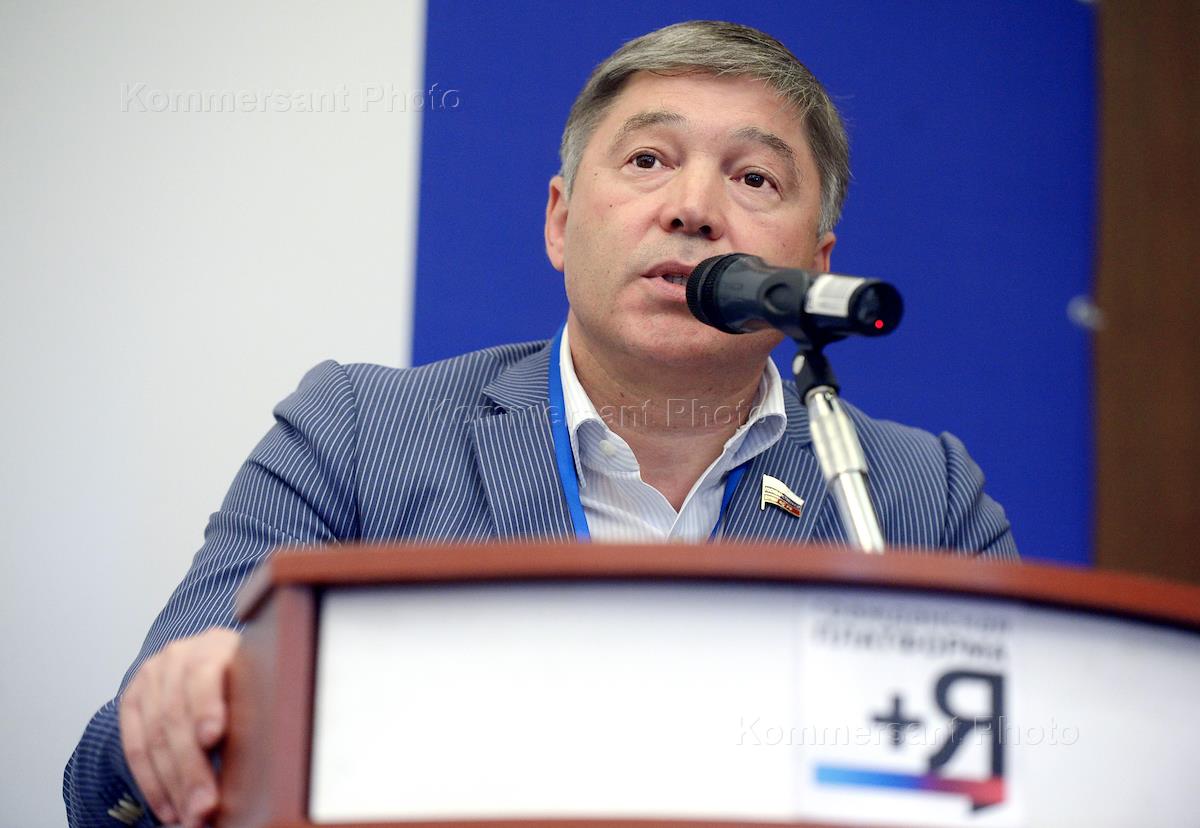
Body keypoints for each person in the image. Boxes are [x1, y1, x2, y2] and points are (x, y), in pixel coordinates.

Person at [64, 20, 1016, 828]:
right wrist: (193, 705)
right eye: (648, 160)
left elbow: (1020, 790)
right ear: (560, 222)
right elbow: (113, 783)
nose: (693, 210)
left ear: (817, 263)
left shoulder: (917, 498)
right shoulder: (356, 434)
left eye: (755, 179)